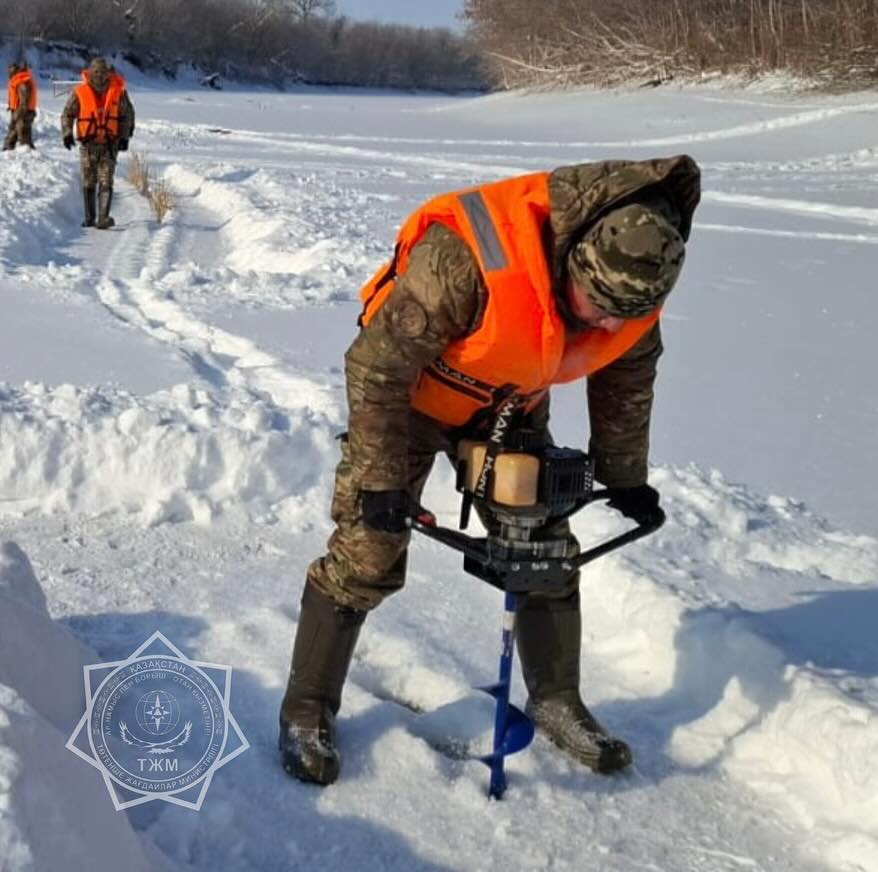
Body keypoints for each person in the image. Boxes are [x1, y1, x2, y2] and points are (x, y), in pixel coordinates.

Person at [278, 155, 702, 785]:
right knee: (368, 550)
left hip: (507, 404)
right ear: (573, 262)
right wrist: (379, 482)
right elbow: (376, 367)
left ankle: (556, 699)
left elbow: (627, 376)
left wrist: (624, 475)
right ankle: (306, 707)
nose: (609, 325)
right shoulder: (466, 259)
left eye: (623, 316)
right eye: (598, 307)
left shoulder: (638, 277)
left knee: (543, 545)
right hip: (406, 400)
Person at [60, 57, 135, 229]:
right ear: (90, 72)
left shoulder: (118, 92)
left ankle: (103, 218)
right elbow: (67, 114)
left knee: (106, 180)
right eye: (96, 72)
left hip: (110, 144)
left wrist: (125, 137)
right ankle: (89, 218)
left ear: (108, 73)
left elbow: (127, 116)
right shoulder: (79, 92)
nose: (99, 75)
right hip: (88, 145)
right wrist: (67, 133)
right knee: (88, 181)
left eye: (103, 72)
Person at [3, 60, 37, 151]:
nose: (8, 73)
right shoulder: (18, 79)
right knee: (13, 133)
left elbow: (24, 100)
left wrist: (18, 113)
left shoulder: (22, 80)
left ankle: (29, 154)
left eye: (10, 70)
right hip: (20, 111)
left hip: (23, 113)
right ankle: (7, 151)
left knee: (24, 136)